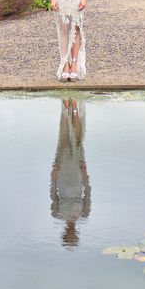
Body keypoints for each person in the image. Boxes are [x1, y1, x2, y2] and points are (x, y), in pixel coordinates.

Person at [50, 98, 91, 247]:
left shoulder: (57, 214)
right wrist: (86, 177)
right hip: (77, 177)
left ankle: (68, 107)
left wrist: (53, 178)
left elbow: (53, 195)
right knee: (77, 142)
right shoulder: (84, 214)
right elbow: (88, 194)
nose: (72, 234)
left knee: (64, 142)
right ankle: (73, 108)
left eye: (70, 236)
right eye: (73, 236)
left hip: (63, 177)